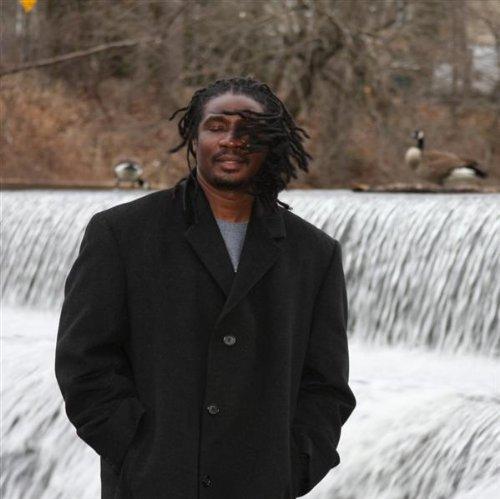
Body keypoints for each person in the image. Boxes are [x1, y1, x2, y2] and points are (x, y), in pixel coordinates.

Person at [55, 76, 356, 499]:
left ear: (271, 143)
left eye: (249, 129)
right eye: (217, 126)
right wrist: (136, 449)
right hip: (152, 485)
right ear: (194, 139)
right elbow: (83, 361)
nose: (232, 140)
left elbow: (326, 384)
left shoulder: (314, 253)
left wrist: (295, 465)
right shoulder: (121, 234)